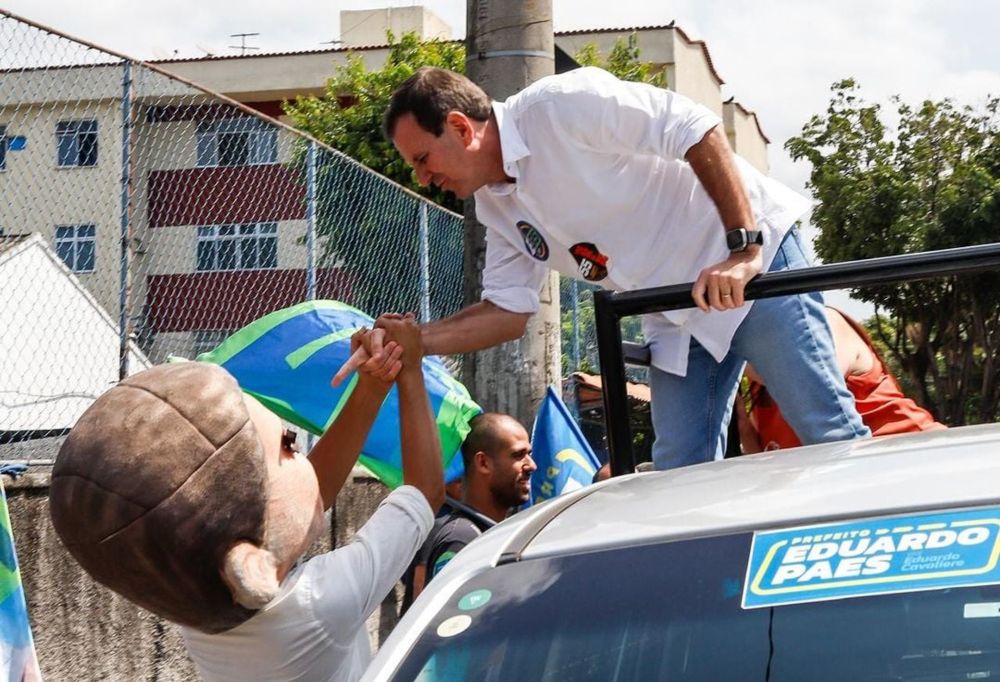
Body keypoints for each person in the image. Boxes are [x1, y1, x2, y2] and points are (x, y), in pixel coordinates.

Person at [349, 65, 870, 471]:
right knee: (678, 474)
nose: (422, 177)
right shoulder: (495, 205)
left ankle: (906, 591)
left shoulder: (558, 108)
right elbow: (508, 313)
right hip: (673, 309)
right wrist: (413, 340)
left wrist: (742, 250)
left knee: (826, 431)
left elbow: (694, 127)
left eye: (421, 158)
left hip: (748, 269)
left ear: (461, 128)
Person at [49, 316, 444, 682]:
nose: (299, 455)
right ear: (253, 566)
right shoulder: (318, 605)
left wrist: (372, 388)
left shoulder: (197, 596)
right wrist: (410, 370)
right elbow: (424, 493)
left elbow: (292, 506)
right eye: (289, 446)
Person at [738, 307, 946, 452]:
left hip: (915, 453)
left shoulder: (825, 322)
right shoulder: (755, 380)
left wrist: (728, 355)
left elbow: (809, 378)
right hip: (848, 481)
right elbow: (764, 452)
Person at [401, 412, 535, 613]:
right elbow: (447, 626)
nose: (531, 465)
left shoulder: (488, 533)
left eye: (529, 454)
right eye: (518, 455)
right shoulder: (462, 539)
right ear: (483, 463)